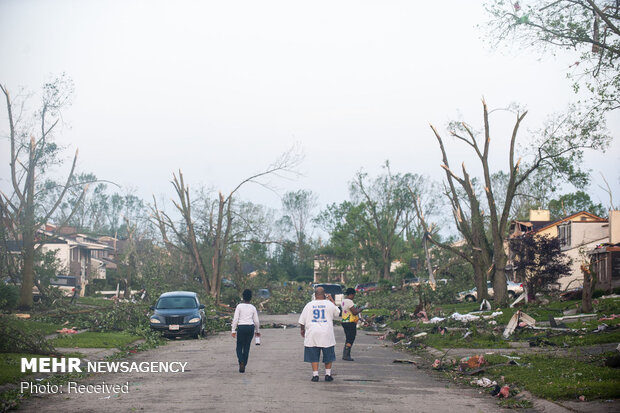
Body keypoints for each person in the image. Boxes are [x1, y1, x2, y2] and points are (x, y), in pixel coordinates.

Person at [298, 286, 340, 382]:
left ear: (315, 295)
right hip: (326, 333)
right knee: (328, 354)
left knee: (313, 354)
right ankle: (328, 374)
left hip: (313, 333)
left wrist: (302, 330)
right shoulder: (329, 304)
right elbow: (337, 313)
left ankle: (315, 375)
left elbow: (302, 321)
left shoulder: (309, 305)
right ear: (324, 294)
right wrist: (332, 300)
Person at [231, 289, 260, 373]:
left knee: (239, 346)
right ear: (250, 298)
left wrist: (233, 330)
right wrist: (257, 331)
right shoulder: (253, 308)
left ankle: (241, 361)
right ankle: (244, 362)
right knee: (247, 346)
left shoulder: (239, 306)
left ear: (243, 297)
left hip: (241, 327)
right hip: (250, 328)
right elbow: (256, 321)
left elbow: (236, 319)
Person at [341, 287, 363, 361]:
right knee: (351, 338)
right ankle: (346, 355)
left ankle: (345, 354)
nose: (354, 297)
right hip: (350, 322)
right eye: (353, 295)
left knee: (348, 337)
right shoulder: (350, 301)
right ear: (351, 294)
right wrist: (361, 309)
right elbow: (354, 312)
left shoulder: (343, 301)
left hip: (344, 322)